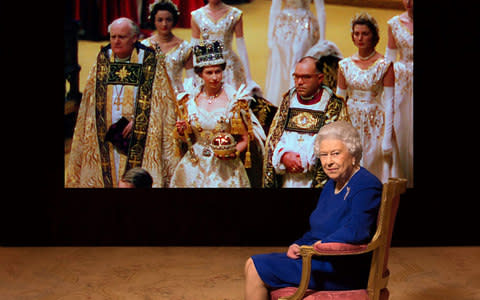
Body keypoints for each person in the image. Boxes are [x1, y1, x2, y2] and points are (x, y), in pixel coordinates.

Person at [245, 120, 383, 300]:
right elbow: (317, 228)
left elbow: (356, 231)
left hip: (343, 268)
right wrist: (298, 244)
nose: (328, 162)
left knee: (256, 267)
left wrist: (312, 247)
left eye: (335, 154)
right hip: (320, 258)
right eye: (324, 155)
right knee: (251, 263)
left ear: (353, 154)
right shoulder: (331, 185)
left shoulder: (366, 185)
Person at [65, 17, 180, 188]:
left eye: (122, 37)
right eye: (113, 37)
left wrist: (139, 120)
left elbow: (161, 102)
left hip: (141, 134)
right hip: (106, 132)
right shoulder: (103, 58)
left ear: (134, 38)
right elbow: (90, 99)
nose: (116, 41)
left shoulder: (148, 60)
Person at [169, 40, 265, 187]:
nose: (214, 77)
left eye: (218, 72)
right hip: (193, 166)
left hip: (225, 167)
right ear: (200, 74)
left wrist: (232, 153)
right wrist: (182, 131)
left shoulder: (234, 100)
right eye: (209, 73)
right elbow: (186, 138)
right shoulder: (190, 100)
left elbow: (244, 139)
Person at [263, 56, 349, 188]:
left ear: (320, 78)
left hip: (315, 181)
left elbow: (338, 146)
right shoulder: (288, 101)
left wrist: (304, 161)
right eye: (296, 77)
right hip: (286, 178)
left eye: (305, 77)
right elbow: (275, 138)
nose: (299, 82)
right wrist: (284, 156)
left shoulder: (333, 106)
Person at [336, 12, 402, 183]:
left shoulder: (384, 65)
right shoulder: (344, 65)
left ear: (374, 36)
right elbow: (339, 101)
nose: (360, 38)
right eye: (356, 34)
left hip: (375, 125)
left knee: (374, 170)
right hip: (351, 121)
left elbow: (389, 102)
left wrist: (387, 138)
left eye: (365, 34)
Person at [190, 0, 261, 96]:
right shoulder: (197, 15)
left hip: (229, 67)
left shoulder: (235, 14)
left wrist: (249, 79)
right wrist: (193, 77)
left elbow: (241, 46)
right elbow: (195, 47)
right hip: (207, 66)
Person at [264, 0, 325, 107]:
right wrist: (270, 36)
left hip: (304, 24)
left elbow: (320, 8)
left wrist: (322, 39)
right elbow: (275, 6)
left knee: (299, 59)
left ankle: (298, 103)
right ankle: (279, 103)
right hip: (283, 24)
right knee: (281, 64)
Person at [386, 0, 413, 187]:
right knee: (402, 129)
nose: (409, 3)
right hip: (402, 83)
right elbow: (389, 58)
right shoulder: (394, 23)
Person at [141, 0, 194, 94]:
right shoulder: (145, 46)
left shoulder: (185, 47)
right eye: (160, 20)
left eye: (168, 20)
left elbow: (191, 78)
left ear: (174, 21)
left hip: (176, 98)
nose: (164, 24)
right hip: (151, 97)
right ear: (153, 21)